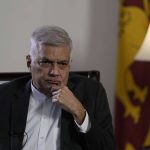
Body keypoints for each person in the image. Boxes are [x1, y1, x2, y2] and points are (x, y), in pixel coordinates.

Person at [0, 25, 115, 150]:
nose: (55, 72)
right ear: (29, 62)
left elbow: (107, 147)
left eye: (62, 64)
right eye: (46, 62)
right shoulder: (4, 96)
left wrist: (80, 112)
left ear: (69, 65)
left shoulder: (92, 93)